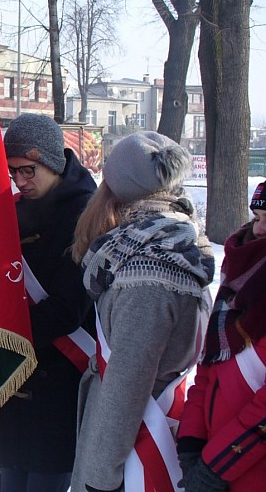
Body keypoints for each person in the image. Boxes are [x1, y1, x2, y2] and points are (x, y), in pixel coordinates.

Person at [70, 131, 215, 492]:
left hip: (137, 445)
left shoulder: (146, 270)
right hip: (145, 429)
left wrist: (101, 478)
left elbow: (128, 382)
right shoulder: (171, 241)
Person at [0, 113, 96, 492]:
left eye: (28, 170)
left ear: (52, 162)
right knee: (11, 476)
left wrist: (5, 334)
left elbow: (70, 306)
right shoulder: (14, 209)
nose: (20, 181)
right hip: (16, 371)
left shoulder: (87, 213)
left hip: (59, 372)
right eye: (13, 171)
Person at [176, 182, 266, 492]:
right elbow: (208, 371)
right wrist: (190, 441)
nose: (260, 229)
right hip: (218, 461)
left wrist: (216, 466)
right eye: (256, 217)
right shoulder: (238, 281)